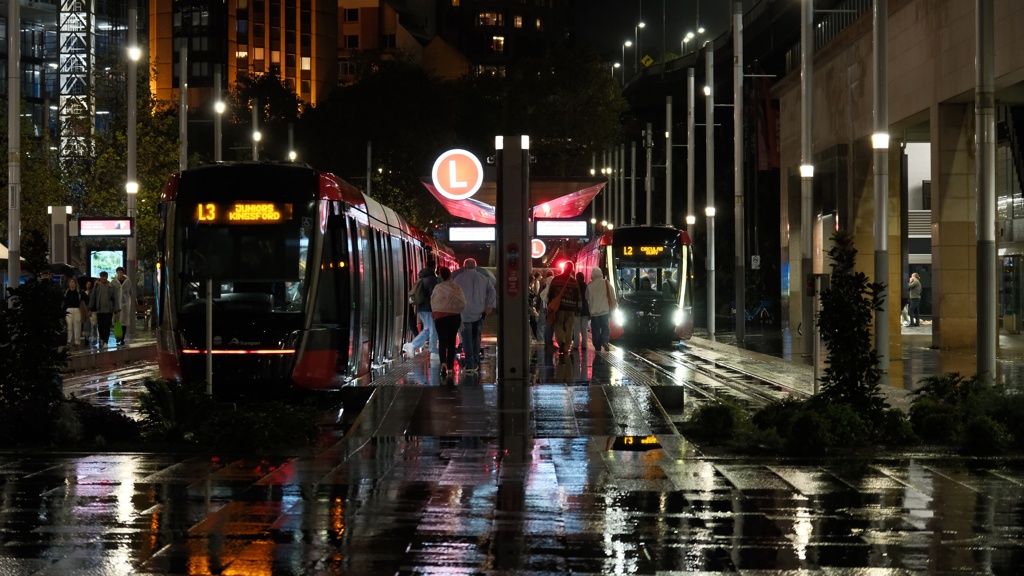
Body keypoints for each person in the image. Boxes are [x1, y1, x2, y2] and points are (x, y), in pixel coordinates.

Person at [452, 258, 496, 374]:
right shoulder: (483, 278)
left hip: (464, 313)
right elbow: (492, 291)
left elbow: (452, 294)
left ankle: (469, 364)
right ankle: (476, 362)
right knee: (476, 338)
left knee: (466, 339)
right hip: (479, 313)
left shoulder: (458, 278)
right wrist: (489, 306)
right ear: (475, 266)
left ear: (464, 266)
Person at [430, 266, 466, 379]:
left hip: (440, 318)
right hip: (453, 317)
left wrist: (436, 312)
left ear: (441, 276)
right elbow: (463, 302)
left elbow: (433, 301)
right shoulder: (456, 287)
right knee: (451, 342)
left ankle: (443, 363)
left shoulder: (438, 287)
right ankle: (450, 367)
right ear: (450, 275)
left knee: (442, 341)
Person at [404, 259, 440, 361]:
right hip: (430, 308)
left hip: (422, 308)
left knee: (428, 329)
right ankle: (433, 351)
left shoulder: (421, 277)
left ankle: (412, 345)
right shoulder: (432, 279)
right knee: (432, 329)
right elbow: (433, 295)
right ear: (434, 267)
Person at [548, 262, 582, 353]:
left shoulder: (556, 279)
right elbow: (578, 297)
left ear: (564, 268)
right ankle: (566, 347)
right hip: (571, 309)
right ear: (572, 270)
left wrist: (550, 304)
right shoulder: (574, 282)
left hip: (559, 308)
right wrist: (578, 309)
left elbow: (550, 293)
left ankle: (561, 342)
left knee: (558, 325)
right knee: (569, 328)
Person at [586, 267, 615, 351]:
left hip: (594, 313)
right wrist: (614, 306)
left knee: (595, 329)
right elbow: (612, 295)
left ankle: (597, 346)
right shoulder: (606, 283)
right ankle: (604, 341)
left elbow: (586, 298)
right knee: (605, 328)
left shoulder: (590, 285)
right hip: (604, 311)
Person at [89, 271, 120, 348]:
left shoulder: (111, 287)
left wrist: (116, 310)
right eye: (101, 277)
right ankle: (102, 339)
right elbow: (93, 297)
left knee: (107, 326)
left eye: (104, 277)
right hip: (99, 310)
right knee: (100, 326)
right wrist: (90, 308)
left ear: (106, 277)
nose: (103, 279)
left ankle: (105, 341)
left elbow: (116, 298)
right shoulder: (97, 287)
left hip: (108, 310)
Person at [112, 266, 134, 345]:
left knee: (124, 323)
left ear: (123, 273)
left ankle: (122, 338)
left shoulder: (128, 282)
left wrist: (127, 300)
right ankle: (118, 336)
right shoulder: (113, 282)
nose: (120, 274)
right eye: (118, 272)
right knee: (117, 322)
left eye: (121, 272)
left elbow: (130, 292)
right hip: (116, 305)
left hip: (125, 305)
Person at [62, 278, 85, 348]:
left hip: (77, 309)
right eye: (70, 282)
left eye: (72, 282)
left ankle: (77, 342)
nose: (71, 284)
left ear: (75, 283)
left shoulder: (79, 292)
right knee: (69, 326)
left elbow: (85, 299)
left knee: (77, 326)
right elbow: (64, 302)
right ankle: (68, 342)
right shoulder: (66, 292)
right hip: (68, 309)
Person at [571, 271, 590, 351]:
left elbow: (573, 298)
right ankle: (584, 345)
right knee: (584, 329)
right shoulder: (586, 287)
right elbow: (588, 298)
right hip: (585, 310)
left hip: (577, 311)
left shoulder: (575, 287)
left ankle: (576, 345)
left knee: (576, 329)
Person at [81, 278, 94, 345]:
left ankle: (88, 337)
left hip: (90, 309)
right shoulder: (83, 292)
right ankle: (86, 337)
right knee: (85, 323)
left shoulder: (92, 292)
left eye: (89, 284)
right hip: (84, 308)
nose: (88, 285)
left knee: (90, 324)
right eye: (87, 284)